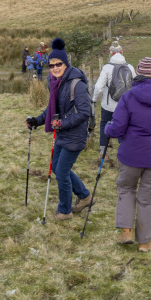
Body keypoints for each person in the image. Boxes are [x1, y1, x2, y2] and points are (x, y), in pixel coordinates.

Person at [104, 57, 151, 253]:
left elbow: (117, 128)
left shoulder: (128, 98)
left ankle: (126, 231)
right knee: (147, 199)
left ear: (137, 74)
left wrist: (107, 128)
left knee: (126, 189)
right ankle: (145, 243)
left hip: (130, 155)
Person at [25, 38, 93, 221]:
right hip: (62, 133)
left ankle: (65, 211)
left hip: (75, 135)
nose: (55, 68)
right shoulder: (54, 82)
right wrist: (36, 121)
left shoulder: (76, 84)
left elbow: (85, 112)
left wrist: (63, 123)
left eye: (58, 64)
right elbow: (52, 109)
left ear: (66, 64)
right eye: (52, 65)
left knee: (62, 172)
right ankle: (85, 196)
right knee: (57, 167)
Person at [92, 40, 136, 161]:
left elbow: (98, 87)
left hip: (108, 105)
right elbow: (135, 86)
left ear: (110, 53)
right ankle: (124, 152)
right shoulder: (130, 67)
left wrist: (94, 100)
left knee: (104, 124)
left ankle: (103, 153)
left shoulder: (107, 68)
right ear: (122, 52)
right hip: (125, 105)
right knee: (124, 126)